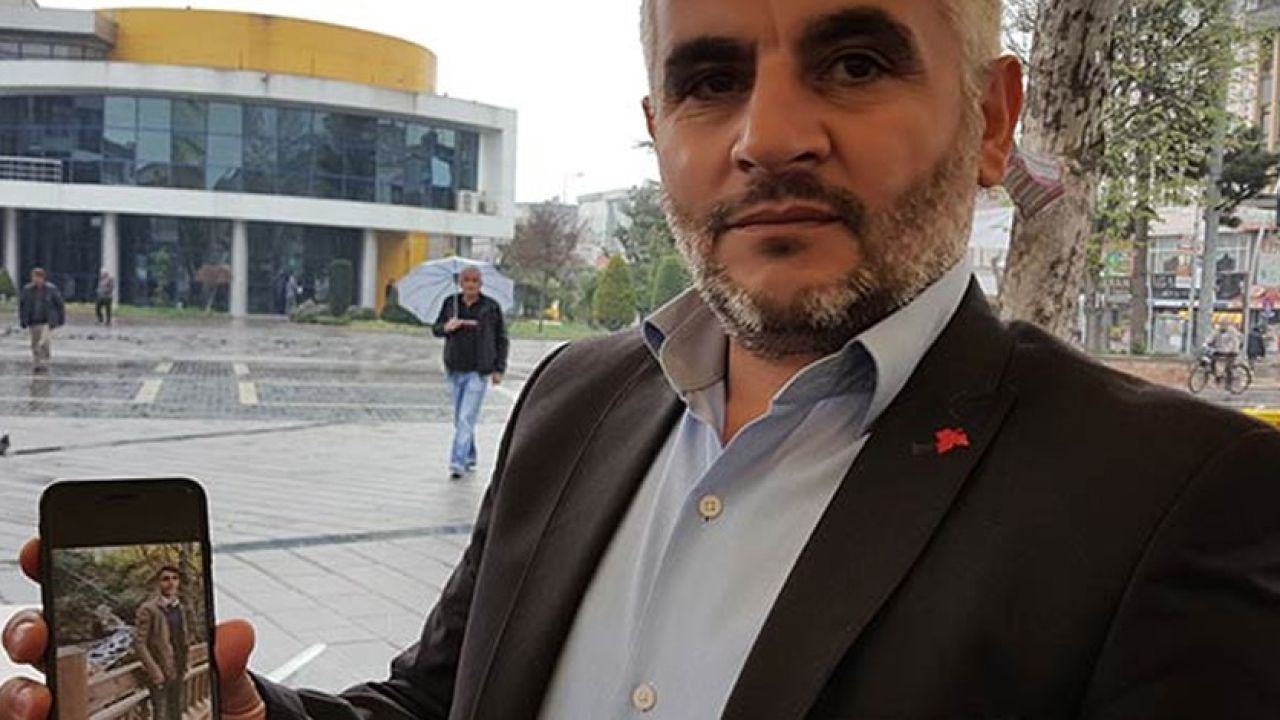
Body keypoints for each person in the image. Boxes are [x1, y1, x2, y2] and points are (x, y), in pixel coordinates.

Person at [5, 1, 1280, 718]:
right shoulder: (575, 398)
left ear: (991, 120)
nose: (768, 136)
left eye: (852, 63)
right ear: (657, 128)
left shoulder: (1173, 499)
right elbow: (439, 705)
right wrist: (244, 711)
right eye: (708, 80)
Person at [431, 266, 508, 480]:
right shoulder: (451, 303)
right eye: (467, 281)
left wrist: (498, 368)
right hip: (455, 367)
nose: (471, 285)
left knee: (466, 417)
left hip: (478, 370)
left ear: (480, 284)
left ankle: (457, 463)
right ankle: (470, 456)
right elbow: (436, 329)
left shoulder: (490, 307)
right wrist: (447, 327)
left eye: (475, 281)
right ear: (461, 283)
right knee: (461, 418)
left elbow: (501, 339)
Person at [134, 565, 190, 720]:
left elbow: (183, 637)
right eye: (166, 579)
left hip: (178, 668)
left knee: (176, 712)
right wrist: (155, 671)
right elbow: (139, 643)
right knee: (161, 715)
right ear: (158, 583)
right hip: (161, 671)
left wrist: (186, 663)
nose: (171, 583)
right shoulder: (149, 609)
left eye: (174, 578)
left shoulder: (179, 607)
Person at [17, 268, 65, 373]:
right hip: (33, 321)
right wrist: (23, 320)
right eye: (33, 277)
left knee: (43, 342)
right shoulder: (27, 290)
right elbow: (22, 306)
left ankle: (45, 361)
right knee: (34, 343)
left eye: (37, 277)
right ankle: (37, 362)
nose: (35, 280)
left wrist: (61, 319)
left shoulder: (51, 289)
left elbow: (60, 305)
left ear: (42, 278)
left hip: (47, 322)